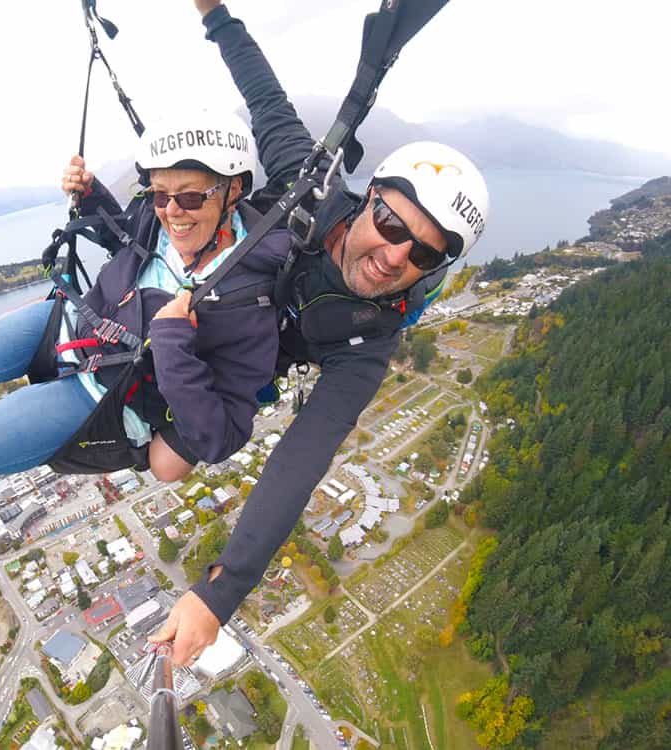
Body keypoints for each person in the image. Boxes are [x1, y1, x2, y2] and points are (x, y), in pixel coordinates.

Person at [150, 1, 490, 667]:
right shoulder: (311, 189)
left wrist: (222, 593)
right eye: (392, 224)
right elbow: (263, 93)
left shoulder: (372, 337)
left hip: (265, 351)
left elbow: (301, 460)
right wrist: (216, 13)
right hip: (239, 308)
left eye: (424, 254)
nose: (397, 256)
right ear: (367, 201)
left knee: (171, 464)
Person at [0, 108, 292, 588]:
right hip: (77, 323)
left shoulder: (246, 303)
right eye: (159, 194)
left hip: (104, 390)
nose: (172, 211)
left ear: (233, 190)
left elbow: (220, 435)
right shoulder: (165, 219)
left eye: (190, 196)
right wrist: (91, 194)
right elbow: (126, 237)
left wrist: (172, 340)